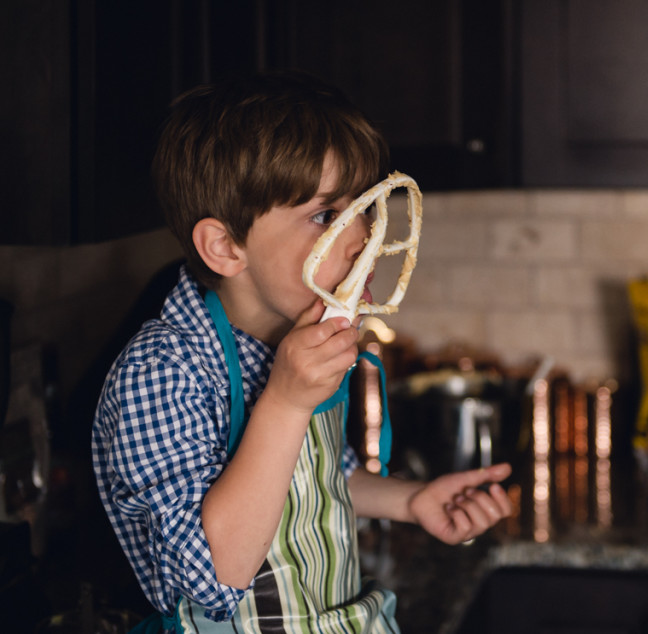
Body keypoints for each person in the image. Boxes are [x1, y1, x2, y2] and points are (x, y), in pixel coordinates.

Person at [91, 71, 513, 633]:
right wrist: (285, 404)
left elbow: (313, 486)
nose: (362, 235)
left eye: (360, 208)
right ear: (225, 247)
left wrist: (411, 503)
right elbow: (214, 575)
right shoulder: (164, 373)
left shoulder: (290, 345)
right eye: (324, 215)